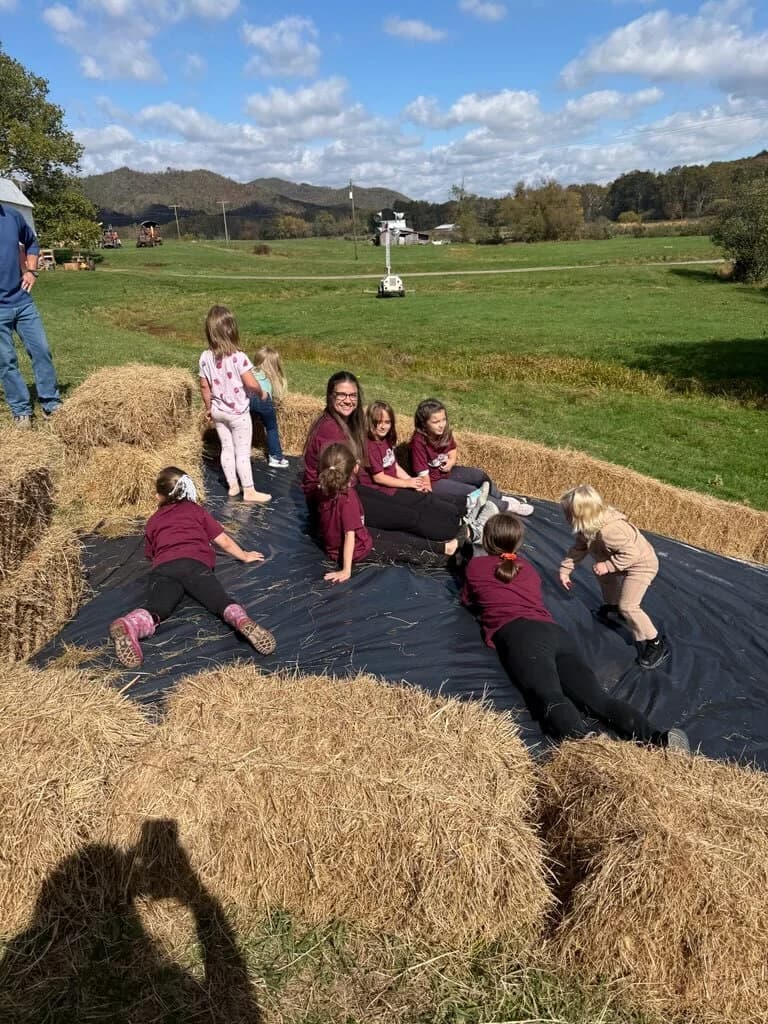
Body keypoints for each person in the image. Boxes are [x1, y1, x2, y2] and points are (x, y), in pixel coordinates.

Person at [461, 512, 688, 749]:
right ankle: (657, 738)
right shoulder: (527, 569)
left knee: (547, 695)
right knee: (598, 699)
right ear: (518, 542)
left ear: (486, 540)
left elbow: (468, 600)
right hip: (555, 633)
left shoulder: (476, 566)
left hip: (521, 635)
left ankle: (583, 746)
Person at [108, 466, 275, 667]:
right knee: (219, 601)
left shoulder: (153, 521)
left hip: (164, 568)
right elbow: (224, 541)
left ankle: (132, 624)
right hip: (194, 565)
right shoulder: (196, 510)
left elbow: (150, 556)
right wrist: (245, 556)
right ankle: (240, 620)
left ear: (159, 496)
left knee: (158, 607)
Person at [302, 372, 468, 543]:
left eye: (352, 395)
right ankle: (453, 536)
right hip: (332, 500)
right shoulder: (330, 431)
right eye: (341, 395)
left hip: (352, 487)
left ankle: (459, 518)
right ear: (330, 396)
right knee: (407, 516)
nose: (347, 400)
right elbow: (333, 482)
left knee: (413, 504)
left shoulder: (350, 423)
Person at [317, 443, 464, 584]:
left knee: (399, 537)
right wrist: (346, 570)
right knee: (403, 551)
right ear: (355, 468)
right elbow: (349, 536)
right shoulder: (348, 500)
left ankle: (446, 547)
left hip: (360, 536)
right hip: (358, 549)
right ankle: (447, 561)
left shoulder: (325, 491)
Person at [558, 485, 669, 670]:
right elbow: (579, 548)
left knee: (629, 606)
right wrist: (565, 569)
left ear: (580, 515)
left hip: (642, 565)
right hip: (620, 560)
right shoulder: (588, 527)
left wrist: (608, 566)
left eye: (568, 514)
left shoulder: (610, 531)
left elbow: (632, 554)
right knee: (601, 574)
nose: (566, 518)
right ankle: (613, 605)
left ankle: (655, 643)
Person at [410, 398, 533, 516]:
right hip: (433, 482)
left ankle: (499, 496)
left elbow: (452, 448)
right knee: (472, 492)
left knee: (479, 475)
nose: (441, 425)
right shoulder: (419, 441)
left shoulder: (443, 432)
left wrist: (452, 461)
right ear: (423, 424)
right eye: (436, 422)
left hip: (445, 473)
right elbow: (423, 475)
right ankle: (507, 506)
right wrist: (429, 497)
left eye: (444, 419)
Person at [199, 305, 271, 503]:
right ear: (232, 330)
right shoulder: (239, 358)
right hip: (238, 414)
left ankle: (232, 485)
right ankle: (249, 490)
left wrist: (208, 407)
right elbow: (250, 382)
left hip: (218, 411)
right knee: (242, 451)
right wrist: (261, 392)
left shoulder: (205, 357)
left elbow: (204, 386)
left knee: (227, 448)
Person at [0, 203, 62, 427]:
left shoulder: (12, 216)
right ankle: (21, 410)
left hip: (22, 301)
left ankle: (51, 404)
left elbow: (32, 243)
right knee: (6, 361)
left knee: (41, 351)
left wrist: (32, 270)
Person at [249, 344, 289, 469]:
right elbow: (276, 397)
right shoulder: (271, 377)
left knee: (245, 426)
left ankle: (241, 454)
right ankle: (275, 457)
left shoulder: (250, 371)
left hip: (248, 399)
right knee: (271, 428)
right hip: (263, 400)